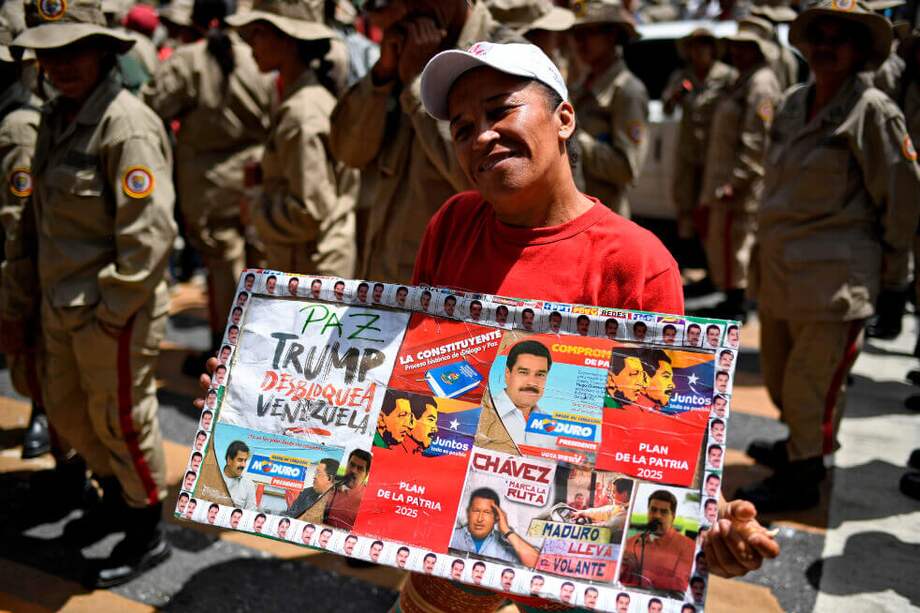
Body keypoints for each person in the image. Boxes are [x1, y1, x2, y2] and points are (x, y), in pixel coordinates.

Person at [196, 37, 779, 611]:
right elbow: (404, 374)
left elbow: (663, 434)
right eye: (462, 127)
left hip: (572, 561)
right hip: (455, 539)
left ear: (564, 118)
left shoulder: (637, 263)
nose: (481, 135)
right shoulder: (452, 223)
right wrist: (251, 394)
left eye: (501, 110)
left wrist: (710, 520)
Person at [10, 0, 177, 587]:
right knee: (70, 414)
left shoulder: (125, 124)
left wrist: (112, 314)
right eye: (48, 52)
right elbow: (33, 221)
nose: (60, 64)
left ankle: (145, 526)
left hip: (112, 313)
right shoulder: (55, 118)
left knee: (122, 421)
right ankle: (114, 500)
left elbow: (148, 237)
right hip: (61, 305)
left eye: (73, 49)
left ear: (104, 50)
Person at [743, 0, 920, 512]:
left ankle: (803, 475)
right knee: (780, 377)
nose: (825, 47)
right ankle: (801, 446)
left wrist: (895, 279)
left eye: (838, 38)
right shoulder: (793, 101)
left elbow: (902, 197)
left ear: (861, 50)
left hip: (835, 282)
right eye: (818, 36)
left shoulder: (873, 110)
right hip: (781, 272)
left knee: (811, 386)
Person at [330, 0, 511, 284]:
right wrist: (382, 76)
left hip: (448, 290)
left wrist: (417, 86)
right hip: (384, 281)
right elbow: (348, 152)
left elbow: (494, 183)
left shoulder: (502, 56)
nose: (406, 9)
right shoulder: (406, 53)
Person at [141, 0, 273, 375]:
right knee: (261, 262)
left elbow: (153, 105)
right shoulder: (255, 55)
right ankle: (258, 349)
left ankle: (223, 349)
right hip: (257, 174)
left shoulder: (188, 59)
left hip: (209, 182)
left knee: (222, 269)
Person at [229, 0, 357, 279]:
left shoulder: (302, 113)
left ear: (288, 40)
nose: (251, 44)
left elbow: (308, 212)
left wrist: (255, 208)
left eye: (259, 33)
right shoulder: (303, 99)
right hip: (310, 265)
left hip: (312, 272)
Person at [700, 16, 782, 322]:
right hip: (726, 179)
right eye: (735, 46)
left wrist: (737, 180)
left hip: (742, 185)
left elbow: (757, 141)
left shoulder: (761, 84)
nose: (737, 52)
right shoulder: (743, 79)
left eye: (746, 46)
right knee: (726, 243)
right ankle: (730, 299)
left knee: (738, 246)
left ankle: (738, 305)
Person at [0, 10, 53, 461]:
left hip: (14, 259)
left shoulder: (18, 125)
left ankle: (43, 413)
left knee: (30, 348)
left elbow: (18, 218)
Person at [568, 0, 648, 218]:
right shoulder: (581, 87)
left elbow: (626, 170)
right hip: (578, 214)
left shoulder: (627, 91)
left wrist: (574, 139)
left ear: (612, 35)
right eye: (576, 34)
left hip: (605, 217)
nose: (579, 42)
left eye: (588, 32)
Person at [663, 27, 736, 251]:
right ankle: (688, 252)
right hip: (689, 150)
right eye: (694, 47)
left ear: (712, 49)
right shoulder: (682, 77)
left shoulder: (727, 76)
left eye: (704, 45)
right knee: (685, 201)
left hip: (717, 150)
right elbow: (667, 108)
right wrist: (676, 95)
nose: (698, 51)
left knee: (712, 203)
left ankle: (710, 254)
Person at [479, 339, 552, 451]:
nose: (532, 382)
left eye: (540, 374)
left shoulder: (553, 425)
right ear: (508, 374)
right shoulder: (483, 411)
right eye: (523, 372)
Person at [620, 490, 695, 594]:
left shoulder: (688, 546)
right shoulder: (631, 542)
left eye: (663, 512)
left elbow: (681, 584)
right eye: (653, 510)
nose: (657, 516)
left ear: (673, 516)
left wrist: (641, 572)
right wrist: (621, 568)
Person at [449, 486, 540, 566]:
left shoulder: (507, 546)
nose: (480, 519)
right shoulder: (450, 536)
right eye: (476, 511)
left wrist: (506, 531)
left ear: (497, 517)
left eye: (487, 512)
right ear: (468, 512)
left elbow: (537, 564)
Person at [324, 448, 371, 529]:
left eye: (360, 468)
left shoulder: (367, 499)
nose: (354, 471)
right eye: (352, 465)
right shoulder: (329, 484)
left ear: (366, 474)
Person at [283, 457, 339, 523]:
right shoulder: (306, 493)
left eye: (318, 473)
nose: (314, 477)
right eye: (315, 473)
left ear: (329, 478)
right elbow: (289, 514)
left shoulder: (339, 502)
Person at [222, 440, 258, 510]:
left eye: (245, 460)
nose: (243, 465)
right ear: (229, 460)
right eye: (240, 460)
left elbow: (250, 512)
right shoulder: (214, 475)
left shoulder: (249, 486)